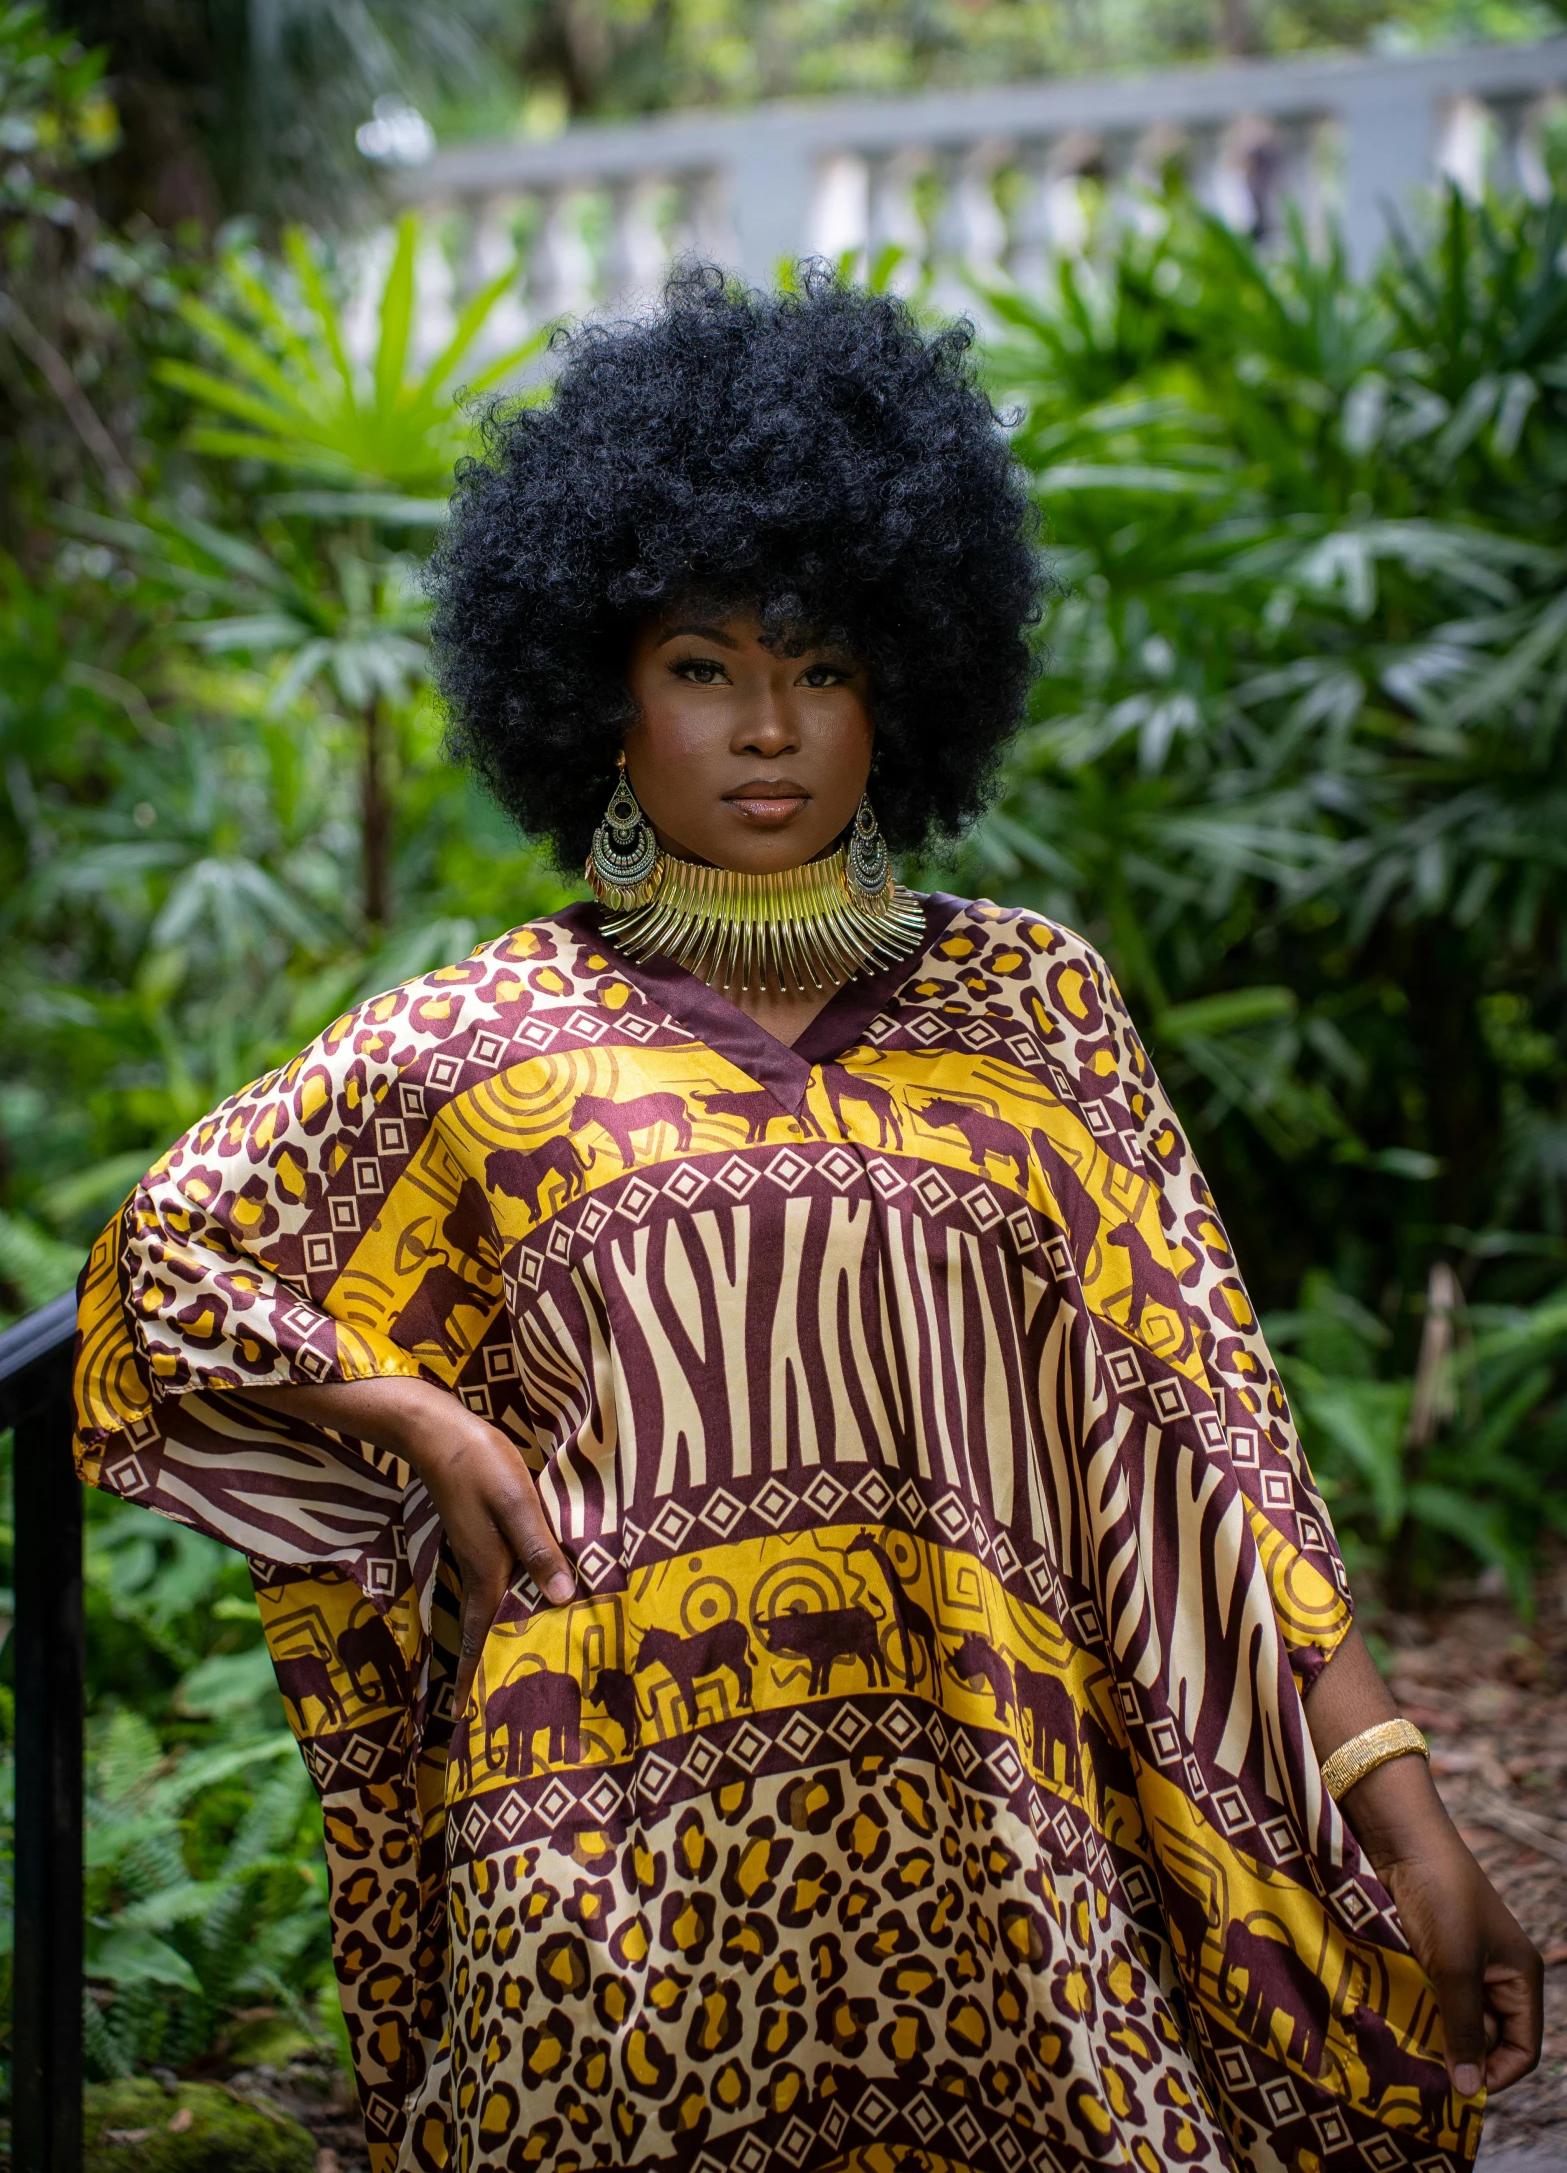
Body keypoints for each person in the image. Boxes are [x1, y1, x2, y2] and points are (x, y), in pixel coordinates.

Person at [75, 268, 1541, 2173]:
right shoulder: (471, 1042)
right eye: (703, 667)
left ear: (901, 693)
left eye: (820, 667)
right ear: (602, 698)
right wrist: (414, 1413)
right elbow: (154, 1281)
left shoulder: (1034, 1007)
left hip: (1008, 1881)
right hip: (607, 1897)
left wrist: (1403, 1808)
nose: (766, 727)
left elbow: (1211, 1439)